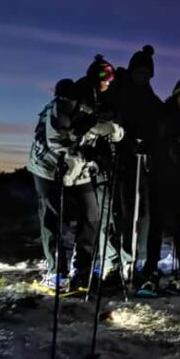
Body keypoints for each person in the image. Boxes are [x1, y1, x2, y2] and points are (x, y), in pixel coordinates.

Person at [27, 55, 123, 292]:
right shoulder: (67, 100)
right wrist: (80, 155)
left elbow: (93, 127)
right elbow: (56, 138)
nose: (107, 81)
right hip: (50, 167)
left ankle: (81, 271)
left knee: (92, 216)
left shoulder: (98, 102)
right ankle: (56, 273)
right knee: (53, 218)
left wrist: (112, 131)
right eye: (103, 76)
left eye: (110, 77)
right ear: (92, 76)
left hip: (79, 169)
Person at [135, 71, 180, 296]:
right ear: (176, 95)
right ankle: (151, 268)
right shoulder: (162, 114)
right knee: (156, 224)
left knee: (178, 227)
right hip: (159, 177)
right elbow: (152, 137)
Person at [101, 45, 163, 285]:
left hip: (135, 162)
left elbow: (159, 120)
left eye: (147, 74)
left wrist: (148, 143)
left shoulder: (149, 96)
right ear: (132, 69)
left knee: (131, 214)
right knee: (111, 213)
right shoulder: (117, 88)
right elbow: (105, 113)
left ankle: (128, 262)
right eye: (140, 72)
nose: (143, 77)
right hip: (112, 159)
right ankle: (110, 264)